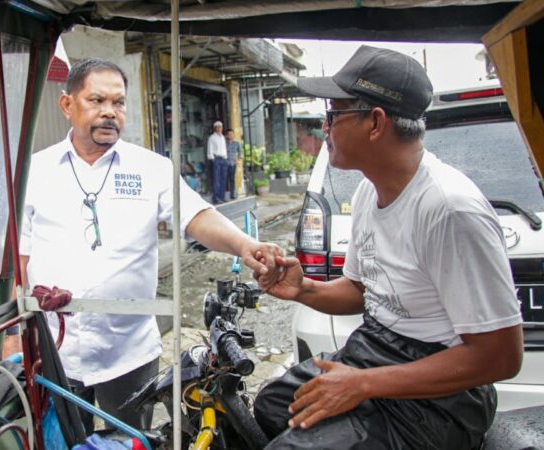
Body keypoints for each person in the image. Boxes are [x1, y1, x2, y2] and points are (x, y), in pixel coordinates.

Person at [253, 45, 523, 449]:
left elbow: (500, 357)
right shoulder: (368, 191)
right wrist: (305, 288)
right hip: (376, 349)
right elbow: (363, 291)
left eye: (333, 115)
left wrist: (362, 384)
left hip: (440, 400)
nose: (324, 129)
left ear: (375, 123)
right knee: (272, 407)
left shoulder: (449, 209)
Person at [2, 58, 283, 434]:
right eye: (96, 100)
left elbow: (196, 217)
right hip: (55, 352)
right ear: (67, 105)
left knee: (133, 440)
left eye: (118, 103)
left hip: (129, 352)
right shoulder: (34, 171)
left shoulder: (149, 168)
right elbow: (19, 257)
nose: (109, 113)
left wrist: (244, 244)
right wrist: (10, 337)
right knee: (59, 441)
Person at [207, 121, 227, 204]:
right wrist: (212, 158)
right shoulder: (212, 137)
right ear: (215, 128)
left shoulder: (222, 137)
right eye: (218, 127)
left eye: (221, 127)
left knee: (223, 179)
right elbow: (210, 149)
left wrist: (226, 157)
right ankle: (216, 198)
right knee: (217, 179)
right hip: (217, 159)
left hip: (223, 159)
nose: (219, 128)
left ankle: (222, 197)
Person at [224, 128, 241, 200]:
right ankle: (224, 196)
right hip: (225, 163)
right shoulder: (224, 143)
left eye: (232, 134)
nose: (231, 135)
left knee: (232, 179)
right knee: (224, 179)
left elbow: (240, 152)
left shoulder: (236, 143)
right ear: (226, 135)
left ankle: (233, 195)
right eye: (229, 134)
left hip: (232, 163)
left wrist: (238, 159)